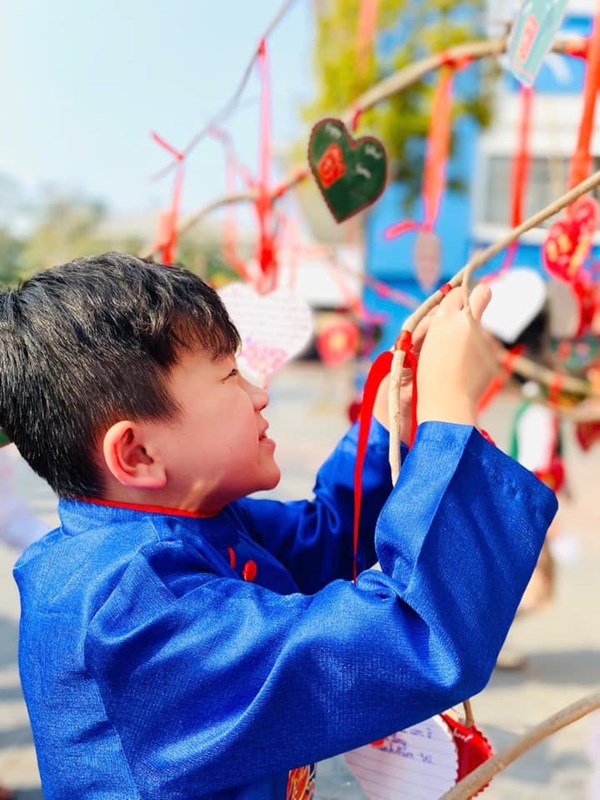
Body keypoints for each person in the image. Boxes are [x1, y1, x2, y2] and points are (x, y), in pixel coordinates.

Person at [1, 254, 557, 800]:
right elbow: (408, 637)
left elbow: (328, 539)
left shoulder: (190, 528)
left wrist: (395, 418)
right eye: (229, 375)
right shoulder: (132, 611)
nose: (260, 394)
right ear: (138, 454)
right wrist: (450, 414)